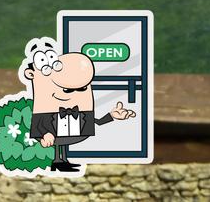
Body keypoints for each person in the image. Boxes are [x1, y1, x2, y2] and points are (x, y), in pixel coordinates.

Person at [24, 40, 136, 172]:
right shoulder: (43, 111)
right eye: (67, 90)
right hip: (52, 136)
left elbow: (97, 122)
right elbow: (39, 125)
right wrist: (45, 134)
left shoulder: (81, 112)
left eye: (82, 88)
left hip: (69, 133)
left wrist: (111, 116)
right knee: (59, 143)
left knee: (63, 143)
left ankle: (62, 161)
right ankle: (57, 161)